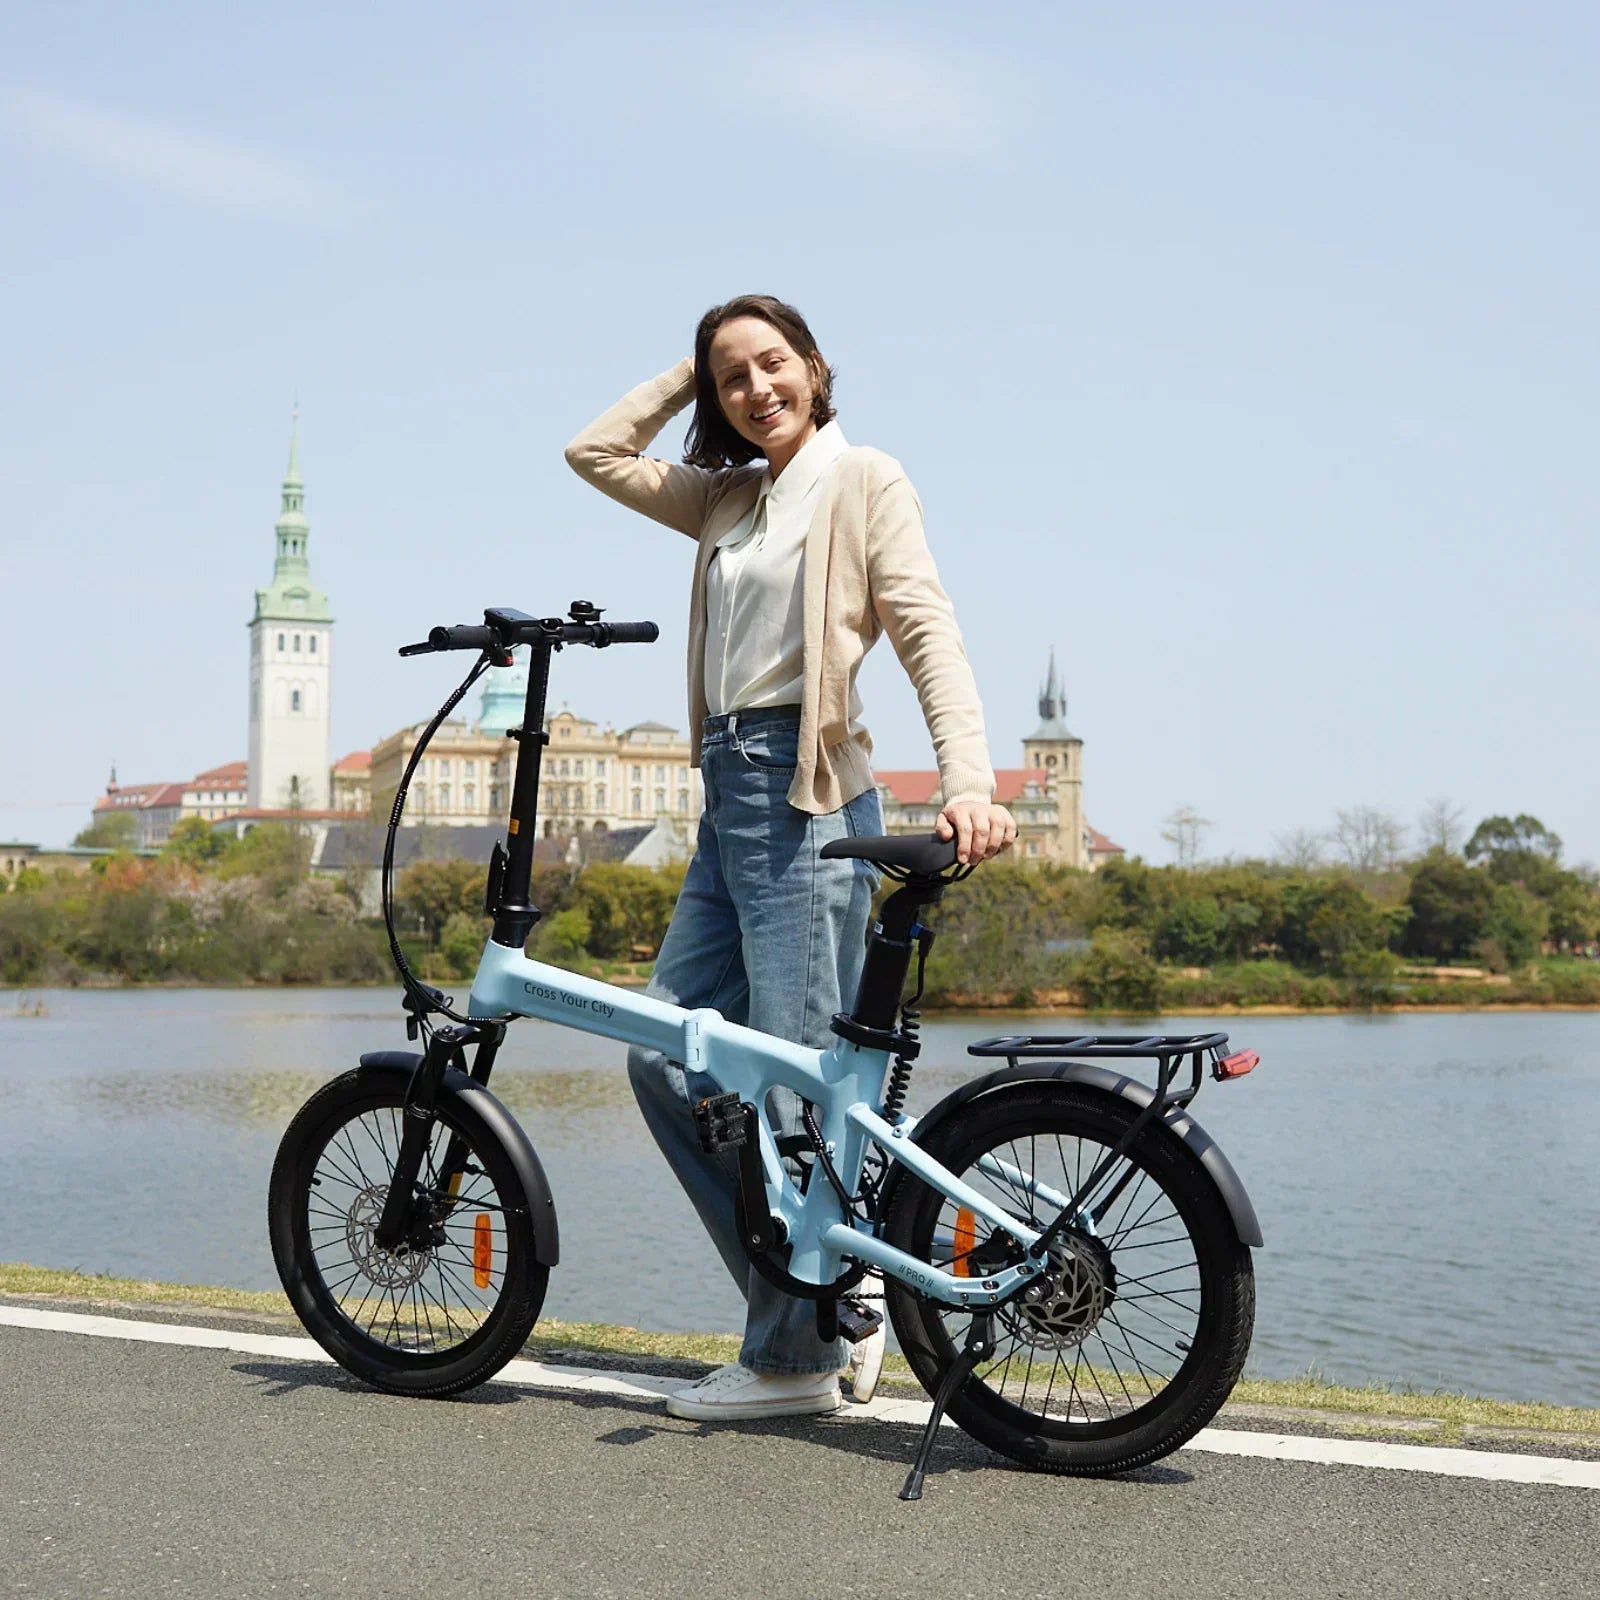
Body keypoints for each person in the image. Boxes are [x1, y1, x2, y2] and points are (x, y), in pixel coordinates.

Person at [564, 294, 1015, 1421]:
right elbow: (593, 452)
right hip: (726, 800)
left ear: (816, 368)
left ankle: (794, 1355)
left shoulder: (863, 481)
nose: (756, 387)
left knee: (790, 1090)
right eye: (733, 378)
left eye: (773, 363)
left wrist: (969, 783)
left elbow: (926, 631)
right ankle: (833, 1292)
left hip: (805, 796)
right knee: (665, 1056)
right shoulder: (727, 497)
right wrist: (692, 361)